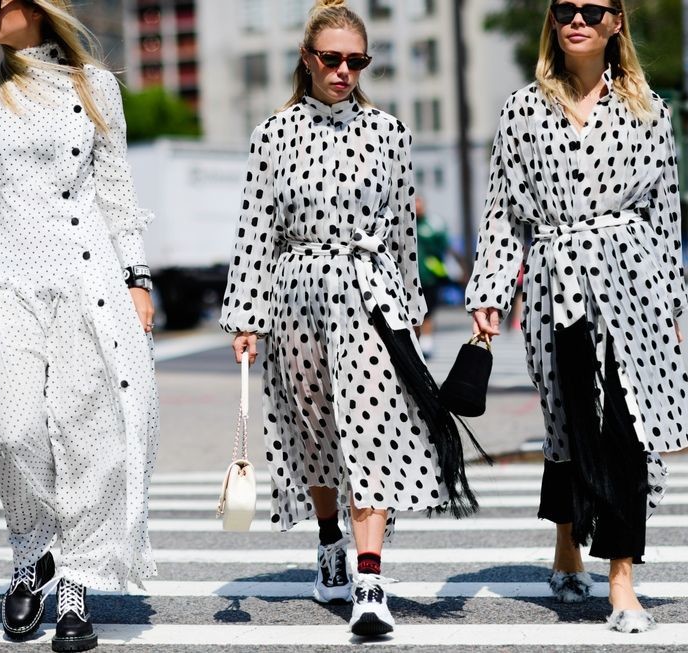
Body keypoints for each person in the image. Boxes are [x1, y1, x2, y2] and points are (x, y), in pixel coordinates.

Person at [221, 0, 479, 638]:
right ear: (307, 58)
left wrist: (413, 311)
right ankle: (330, 541)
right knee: (315, 433)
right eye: (332, 59)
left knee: (372, 430)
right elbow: (256, 230)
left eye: (356, 61)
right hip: (296, 298)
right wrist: (246, 319)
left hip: (371, 295)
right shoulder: (273, 134)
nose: (344, 71)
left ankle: (370, 580)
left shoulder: (391, 132)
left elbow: (402, 230)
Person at [466, 0, 688, 634]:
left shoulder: (647, 110)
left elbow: (665, 216)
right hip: (555, 285)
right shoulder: (522, 109)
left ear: (616, 22)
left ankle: (623, 580)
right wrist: (490, 293)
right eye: (565, 9)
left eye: (593, 9)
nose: (578, 19)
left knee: (626, 430)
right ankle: (567, 541)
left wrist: (671, 304)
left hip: (631, 283)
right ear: (553, 21)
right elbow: (503, 212)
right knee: (569, 423)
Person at [0, 0, 159, 649]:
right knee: (18, 431)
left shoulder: (96, 87)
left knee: (87, 436)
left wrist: (138, 278)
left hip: (88, 284)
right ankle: (32, 553)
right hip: (6, 289)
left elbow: (115, 188)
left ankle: (75, 587)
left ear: (35, 8)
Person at [414, 197, 450, 358]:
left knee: (428, 312)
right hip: (410, 277)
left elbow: (443, 245)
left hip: (430, 276)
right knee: (412, 314)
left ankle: (427, 344)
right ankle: (416, 343)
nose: (417, 207)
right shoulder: (404, 224)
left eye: (419, 203)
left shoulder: (433, 225)